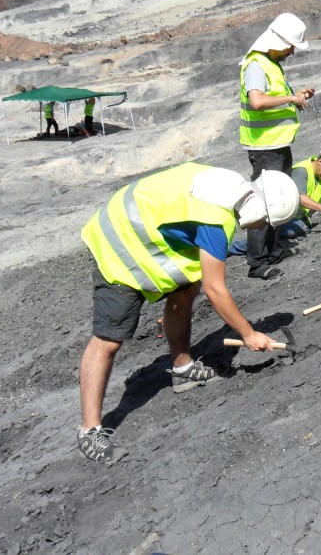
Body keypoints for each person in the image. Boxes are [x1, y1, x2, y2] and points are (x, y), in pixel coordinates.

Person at [76, 162, 300, 465]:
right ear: (261, 210)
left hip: (145, 225)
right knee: (110, 338)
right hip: (118, 239)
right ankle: (89, 432)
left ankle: (183, 369)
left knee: (186, 288)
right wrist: (247, 333)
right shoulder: (216, 220)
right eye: (267, 222)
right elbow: (216, 289)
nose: (263, 228)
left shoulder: (230, 185)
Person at [239, 12, 316, 280]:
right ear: (278, 41)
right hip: (264, 147)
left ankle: (274, 251)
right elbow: (257, 101)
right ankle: (258, 263)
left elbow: (274, 98)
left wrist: (296, 96)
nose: (292, 52)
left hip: (278, 144)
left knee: (278, 198)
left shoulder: (271, 64)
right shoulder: (256, 65)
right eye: (290, 46)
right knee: (264, 203)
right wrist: (290, 99)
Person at [227, 145, 321, 255]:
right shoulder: (302, 172)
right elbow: (300, 198)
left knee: (297, 229)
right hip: (283, 215)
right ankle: (231, 249)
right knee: (276, 235)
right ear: (320, 162)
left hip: (298, 217)